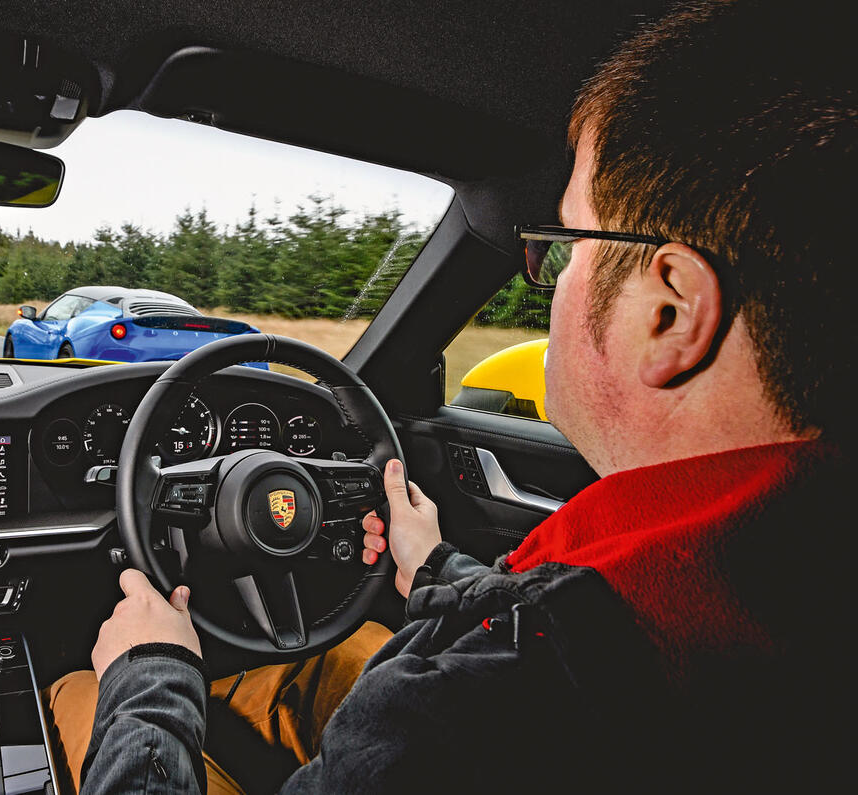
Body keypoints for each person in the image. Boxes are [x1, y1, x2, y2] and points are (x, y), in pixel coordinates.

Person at [42, 2, 853, 791]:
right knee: (340, 654)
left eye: (567, 243)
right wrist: (432, 564)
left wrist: (151, 676)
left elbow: (509, 660)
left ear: (668, 313)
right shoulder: (787, 580)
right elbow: (551, 616)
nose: (550, 279)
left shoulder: (470, 707)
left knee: (87, 693)